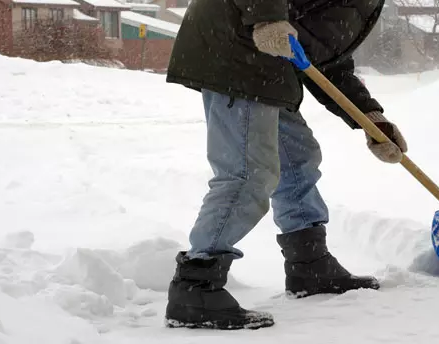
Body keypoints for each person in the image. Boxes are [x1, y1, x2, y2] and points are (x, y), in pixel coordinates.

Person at [163, 0, 408, 330]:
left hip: (268, 60)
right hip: (239, 47)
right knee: (248, 172)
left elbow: (324, 57)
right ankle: (196, 285)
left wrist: (368, 118)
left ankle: (309, 264)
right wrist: (267, 19)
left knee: (297, 157)